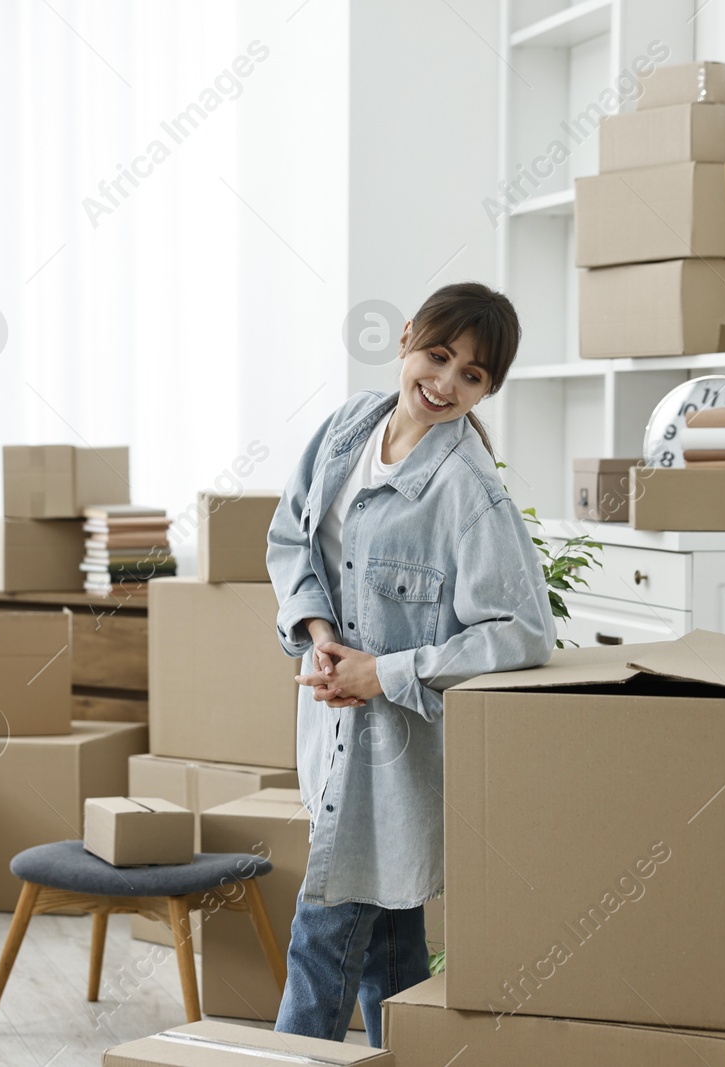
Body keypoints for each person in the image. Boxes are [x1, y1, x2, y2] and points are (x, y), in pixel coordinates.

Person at [265, 281, 555, 1046]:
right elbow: (290, 538)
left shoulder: (468, 490)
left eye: (474, 375)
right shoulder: (346, 428)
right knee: (391, 966)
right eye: (438, 355)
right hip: (330, 743)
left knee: (318, 955)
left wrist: (382, 672)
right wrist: (319, 629)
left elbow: (522, 634)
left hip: (393, 770)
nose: (447, 383)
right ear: (406, 340)